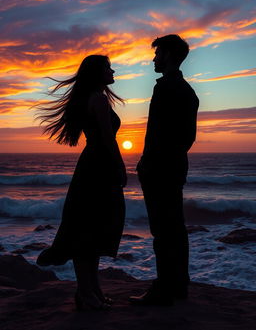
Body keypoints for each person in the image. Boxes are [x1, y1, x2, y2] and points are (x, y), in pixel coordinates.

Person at [36, 55, 126, 311]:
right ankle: (86, 293)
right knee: (90, 231)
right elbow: (109, 139)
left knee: (92, 230)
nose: (113, 71)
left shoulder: (95, 97)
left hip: (93, 165)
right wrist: (120, 166)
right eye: (109, 67)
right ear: (98, 72)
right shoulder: (97, 99)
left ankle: (92, 291)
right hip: (99, 165)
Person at [129, 34, 199, 306]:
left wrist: (149, 163)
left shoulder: (168, 88)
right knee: (174, 229)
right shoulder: (185, 90)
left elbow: (163, 135)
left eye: (157, 54)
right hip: (172, 167)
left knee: (164, 230)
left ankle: (164, 289)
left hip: (161, 169)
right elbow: (186, 138)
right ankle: (177, 285)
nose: (153, 59)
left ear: (168, 55)